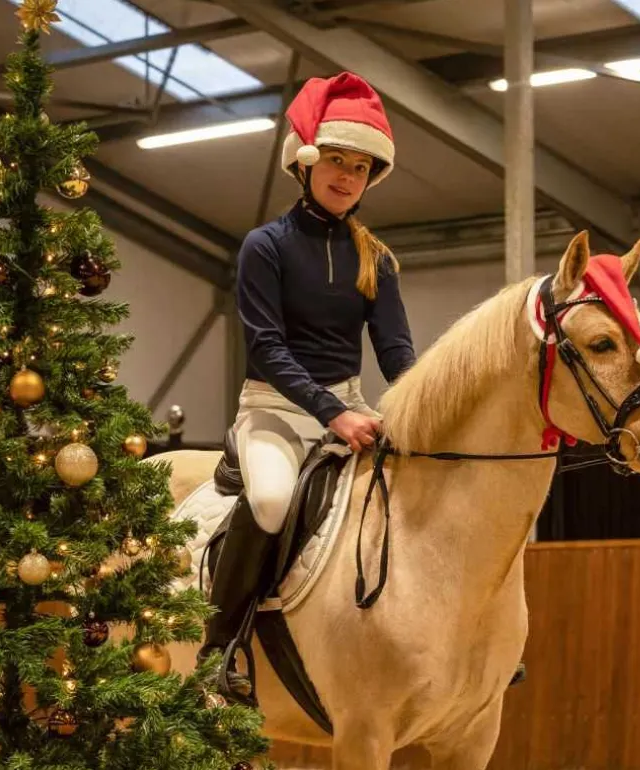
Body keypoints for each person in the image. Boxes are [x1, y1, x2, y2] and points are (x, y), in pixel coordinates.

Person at [198, 72, 417, 701]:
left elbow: (395, 349)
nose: (347, 177)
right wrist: (331, 414)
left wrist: (417, 404)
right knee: (270, 501)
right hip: (274, 409)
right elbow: (267, 348)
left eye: (360, 168)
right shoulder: (263, 246)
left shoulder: (376, 257)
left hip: (350, 404)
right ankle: (219, 649)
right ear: (307, 161)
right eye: (338, 161)